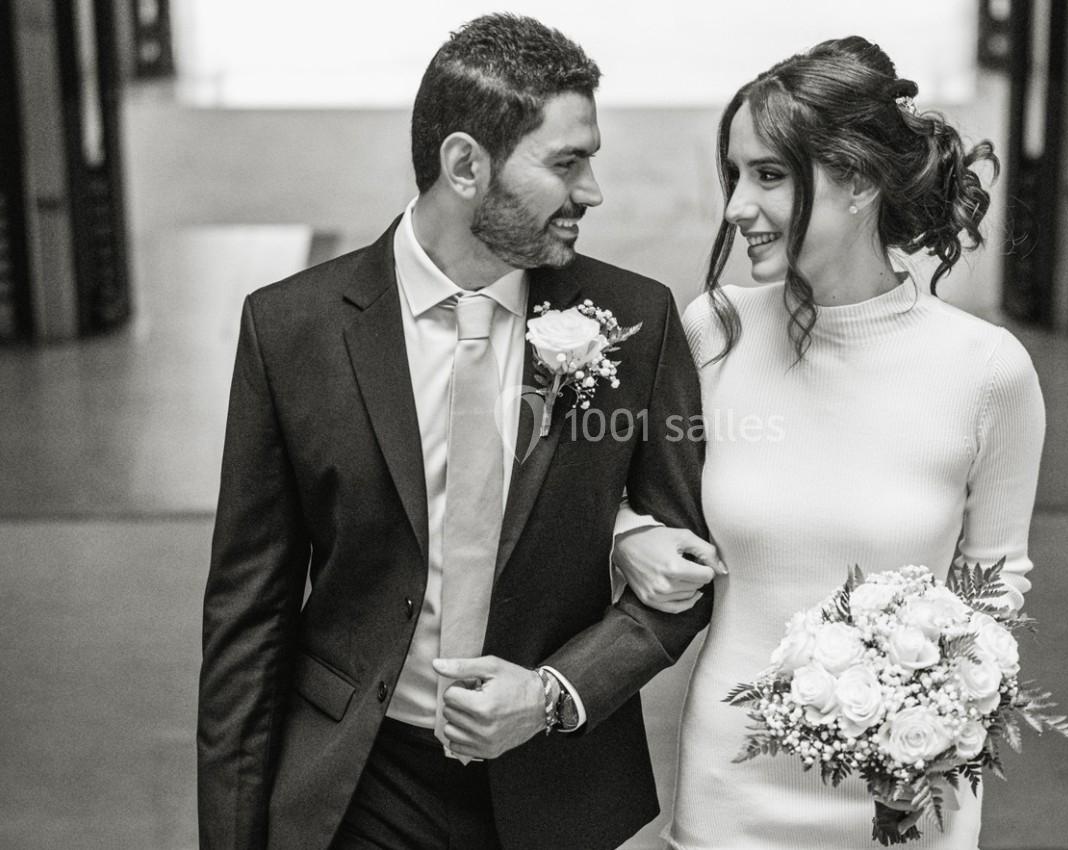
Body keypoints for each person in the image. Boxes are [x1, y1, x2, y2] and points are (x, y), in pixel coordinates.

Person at [197, 14, 715, 850]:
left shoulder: (633, 320)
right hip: (358, 783)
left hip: (554, 786)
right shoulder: (292, 331)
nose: (592, 192)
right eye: (566, 163)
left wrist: (553, 693)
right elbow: (247, 618)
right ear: (466, 165)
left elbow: (685, 579)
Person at [613, 36, 1046, 849]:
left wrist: (930, 732)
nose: (737, 206)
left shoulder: (988, 370)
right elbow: (629, 497)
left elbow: (995, 591)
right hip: (730, 795)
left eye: (769, 175)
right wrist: (628, 535)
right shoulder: (715, 333)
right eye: (735, 175)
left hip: (907, 799)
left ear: (858, 180)